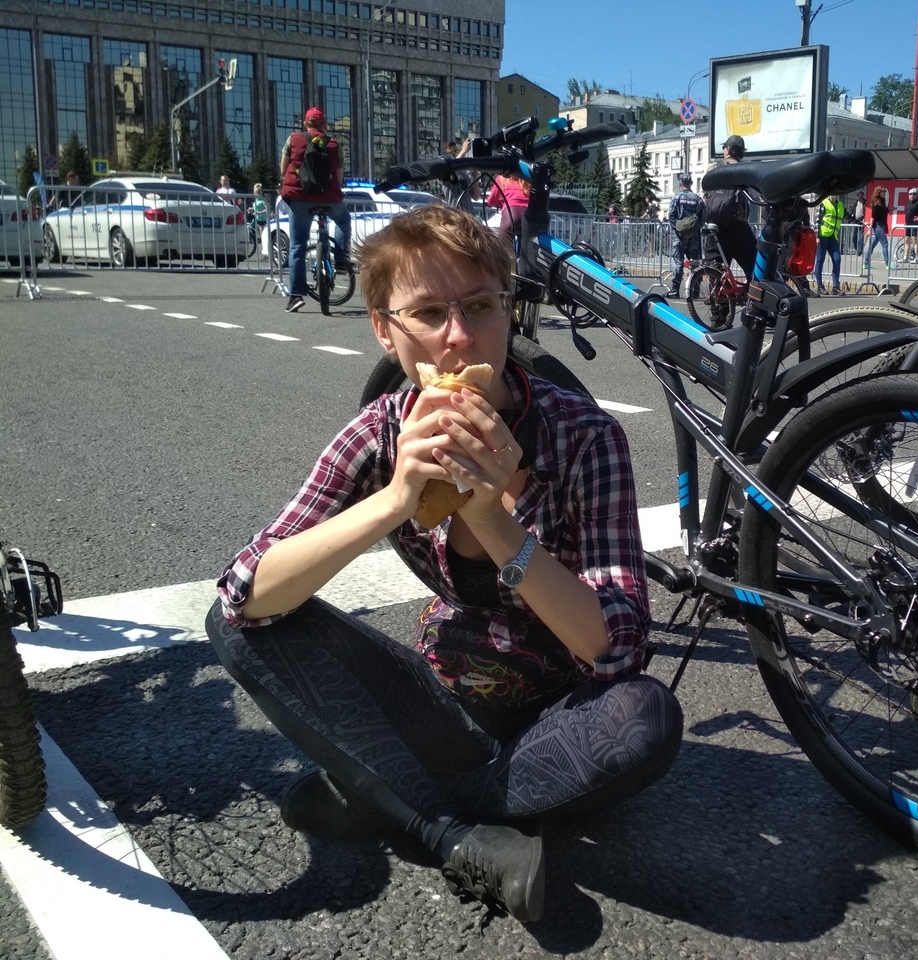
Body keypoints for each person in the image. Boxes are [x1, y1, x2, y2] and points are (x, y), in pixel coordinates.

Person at [206, 203, 684, 923]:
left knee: (644, 721)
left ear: (508, 313)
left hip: (559, 711)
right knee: (239, 624)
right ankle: (444, 832)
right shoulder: (379, 435)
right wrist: (397, 498)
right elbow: (246, 594)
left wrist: (493, 520)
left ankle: (383, 790)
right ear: (383, 329)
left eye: (480, 306)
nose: (460, 338)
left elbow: (613, 649)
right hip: (440, 702)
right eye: (428, 313)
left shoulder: (583, 437)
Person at [279, 106, 352, 313]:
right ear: (324, 124)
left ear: (306, 123)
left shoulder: (293, 139)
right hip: (329, 198)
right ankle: (340, 261)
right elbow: (338, 177)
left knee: (297, 246)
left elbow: (283, 168)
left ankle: (295, 296)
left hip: (300, 199)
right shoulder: (334, 144)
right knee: (344, 221)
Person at [703, 135, 757, 283]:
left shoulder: (713, 168)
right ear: (741, 153)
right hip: (738, 229)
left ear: (728, 150)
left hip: (715, 229)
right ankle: (754, 301)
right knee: (754, 268)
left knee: (716, 274)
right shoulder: (744, 171)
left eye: (724, 147)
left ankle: (719, 305)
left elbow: (705, 193)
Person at [667, 171, 703, 292]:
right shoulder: (698, 199)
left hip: (678, 235)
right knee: (695, 262)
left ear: (680, 183)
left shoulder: (676, 198)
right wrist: (695, 228)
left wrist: (677, 228)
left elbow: (671, 215)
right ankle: (696, 290)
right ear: (691, 183)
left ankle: (675, 290)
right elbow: (703, 217)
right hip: (694, 236)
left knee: (678, 261)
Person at [814, 192, 844, 295]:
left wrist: (862, 224)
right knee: (820, 260)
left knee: (837, 259)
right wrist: (817, 235)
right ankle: (819, 286)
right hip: (822, 236)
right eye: (832, 193)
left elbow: (849, 216)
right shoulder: (823, 203)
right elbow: (817, 220)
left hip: (833, 237)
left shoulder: (840, 205)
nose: (834, 195)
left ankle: (835, 287)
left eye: (835, 193)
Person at [486, 173, 529, 243]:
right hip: (529, 214)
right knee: (531, 249)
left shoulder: (502, 178)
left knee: (501, 248)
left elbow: (491, 201)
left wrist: (501, 202)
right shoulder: (529, 179)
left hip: (512, 214)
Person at [863, 186, 890, 271]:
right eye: (883, 191)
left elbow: (884, 212)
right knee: (885, 244)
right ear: (878, 192)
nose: (884, 193)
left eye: (885, 191)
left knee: (872, 244)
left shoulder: (882, 202)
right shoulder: (876, 203)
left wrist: (891, 210)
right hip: (878, 226)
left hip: (881, 225)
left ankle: (865, 263)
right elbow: (873, 217)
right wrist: (869, 229)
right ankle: (887, 264)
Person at [903, 189, 918, 262]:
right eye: (910, 194)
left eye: (914, 194)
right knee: (907, 240)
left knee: (914, 240)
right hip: (908, 223)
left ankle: (916, 258)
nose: (912, 196)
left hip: (914, 224)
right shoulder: (909, 203)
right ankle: (905, 257)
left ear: (916, 195)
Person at [849, 189, 866, 257]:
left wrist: (863, 219)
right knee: (854, 237)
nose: (857, 196)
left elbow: (866, 212)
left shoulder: (865, 203)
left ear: (861, 195)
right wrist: (850, 220)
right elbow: (853, 212)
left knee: (860, 238)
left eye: (858, 195)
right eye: (857, 195)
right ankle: (857, 249)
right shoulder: (856, 203)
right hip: (855, 221)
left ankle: (859, 251)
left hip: (862, 222)